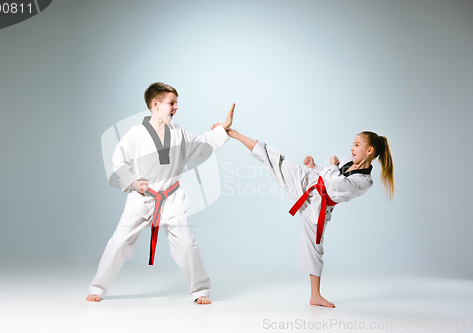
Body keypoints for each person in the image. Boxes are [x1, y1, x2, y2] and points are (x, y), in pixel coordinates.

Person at [87, 82, 235, 305]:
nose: (176, 107)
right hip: (142, 198)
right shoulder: (136, 134)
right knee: (118, 244)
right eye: (171, 103)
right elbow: (118, 160)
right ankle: (97, 287)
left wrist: (222, 129)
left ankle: (200, 290)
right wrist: (132, 183)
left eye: (176, 103)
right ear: (155, 104)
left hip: (171, 198)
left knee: (187, 245)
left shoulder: (179, 133)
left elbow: (203, 143)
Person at [221, 127, 394, 308]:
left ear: (369, 150)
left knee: (315, 248)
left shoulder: (365, 181)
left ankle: (315, 296)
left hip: (318, 208)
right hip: (307, 181)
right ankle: (235, 134)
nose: (351, 149)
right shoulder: (349, 160)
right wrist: (314, 167)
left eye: (356, 145)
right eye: (353, 144)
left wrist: (332, 166)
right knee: (274, 158)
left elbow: (337, 183)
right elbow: (327, 173)